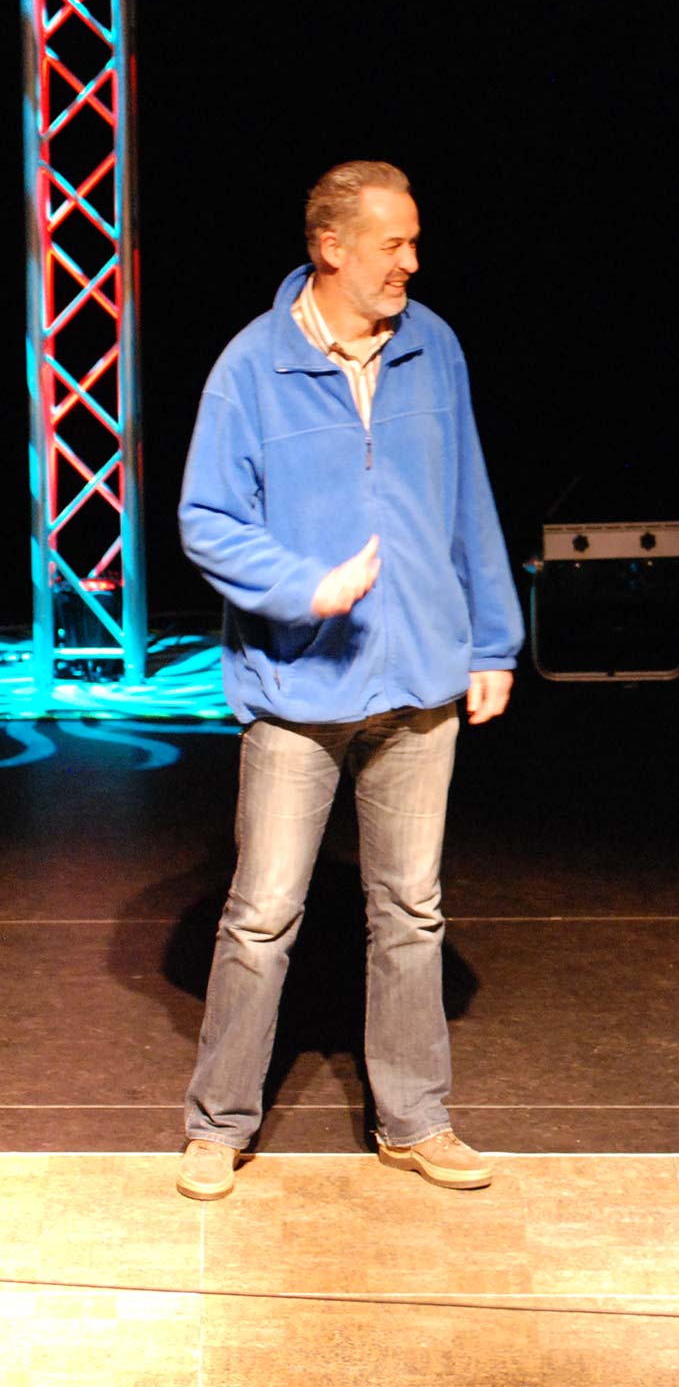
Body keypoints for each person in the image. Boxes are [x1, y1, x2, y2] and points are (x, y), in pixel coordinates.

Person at [172, 161, 522, 1201]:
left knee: (410, 909)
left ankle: (415, 1120)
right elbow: (207, 519)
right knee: (262, 914)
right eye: (392, 243)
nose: (410, 261)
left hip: (420, 683)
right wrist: (304, 587)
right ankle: (218, 1125)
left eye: (414, 241)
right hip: (299, 687)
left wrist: (491, 643)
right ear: (331, 247)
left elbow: (468, 496)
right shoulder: (252, 365)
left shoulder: (432, 345)